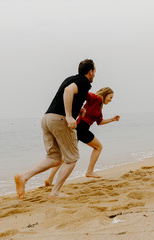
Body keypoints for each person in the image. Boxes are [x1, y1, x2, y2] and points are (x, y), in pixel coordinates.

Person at [14, 59, 95, 199]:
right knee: (72, 158)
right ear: (90, 71)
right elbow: (68, 91)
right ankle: (55, 191)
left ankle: (23, 177)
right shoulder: (84, 81)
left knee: (54, 158)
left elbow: (65, 95)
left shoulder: (70, 78)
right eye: (95, 71)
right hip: (60, 119)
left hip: (47, 118)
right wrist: (69, 116)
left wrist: (77, 110)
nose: (94, 75)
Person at [45, 87, 120, 186]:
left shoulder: (99, 107)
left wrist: (112, 119)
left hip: (78, 129)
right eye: (110, 97)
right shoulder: (97, 98)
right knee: (98, 147)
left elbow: (99, 122)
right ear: (105, 94)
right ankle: (89, 171)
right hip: (81, 127)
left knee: (64, 156)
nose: (111, 100)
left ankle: (49, 179)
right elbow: (83, 92)